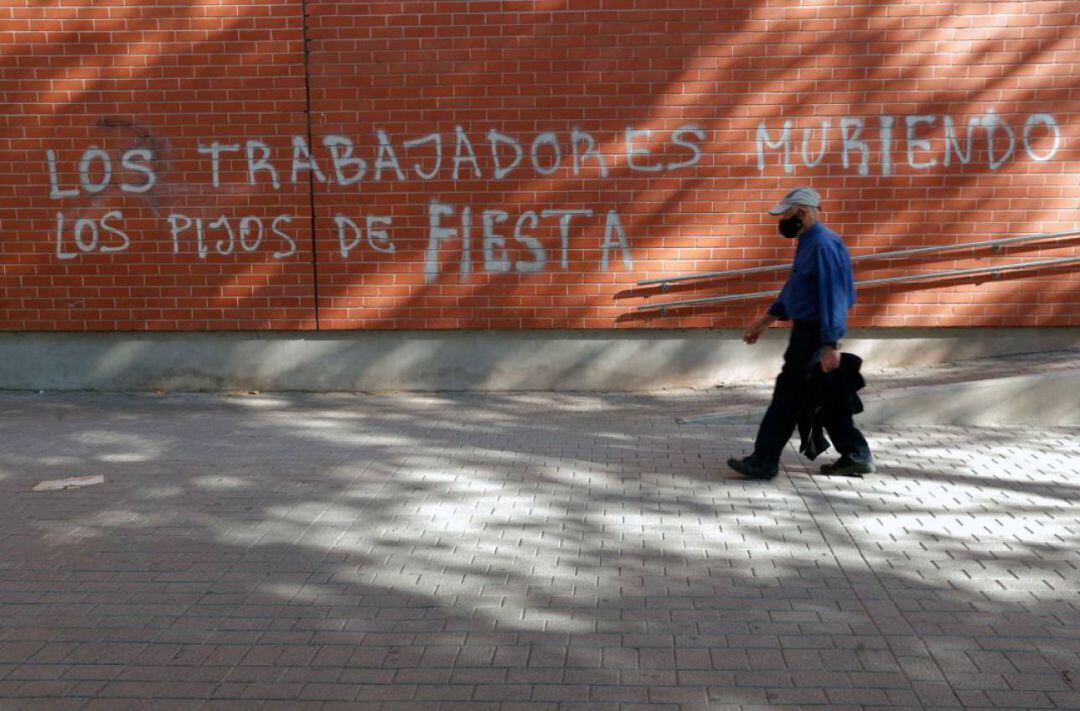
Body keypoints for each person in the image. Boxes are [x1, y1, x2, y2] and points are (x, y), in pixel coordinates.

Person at [727, 187, 874, 480]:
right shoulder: (807, 241)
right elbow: (796, 288)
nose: (781, 221)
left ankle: (764, 461)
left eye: (785, 214)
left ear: (803, 212)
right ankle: (856, 455)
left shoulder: (823, 244)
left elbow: (834, 295)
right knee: (826, 397)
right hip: (809, 332)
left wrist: (831, 342)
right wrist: (766, 319)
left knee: (787, 398)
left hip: (815, 335)